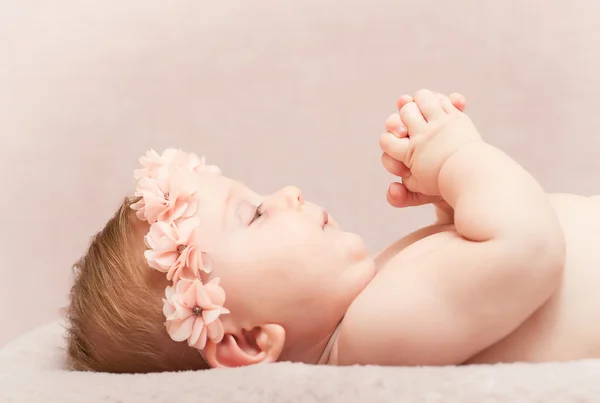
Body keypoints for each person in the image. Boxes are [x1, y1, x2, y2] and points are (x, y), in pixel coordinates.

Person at [67, 89, 600, 374]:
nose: (288, 194)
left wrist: (451, 207)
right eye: (254, 214)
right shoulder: (376, 333)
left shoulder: (373, 304)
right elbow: (527, 251)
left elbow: (477, 281)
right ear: (250, 341)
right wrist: (460, 158)